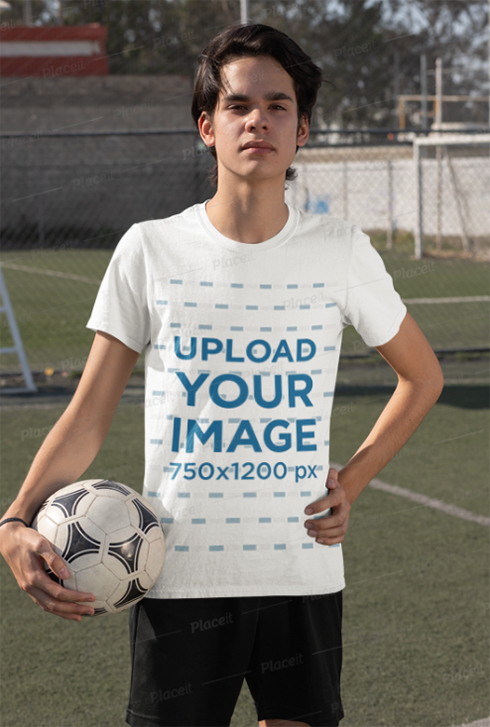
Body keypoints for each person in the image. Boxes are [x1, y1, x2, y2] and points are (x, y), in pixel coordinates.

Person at [0, 22, 444, 727]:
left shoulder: (341, 251)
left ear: (303, 131)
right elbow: (89, 412)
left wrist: (351, 481)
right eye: (239, 105)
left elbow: (423, 376)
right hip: (176, 575)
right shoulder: (149, 249)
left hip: (301, 575)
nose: (258, 120)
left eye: (278, 105)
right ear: (207, 126)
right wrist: (15, 518)